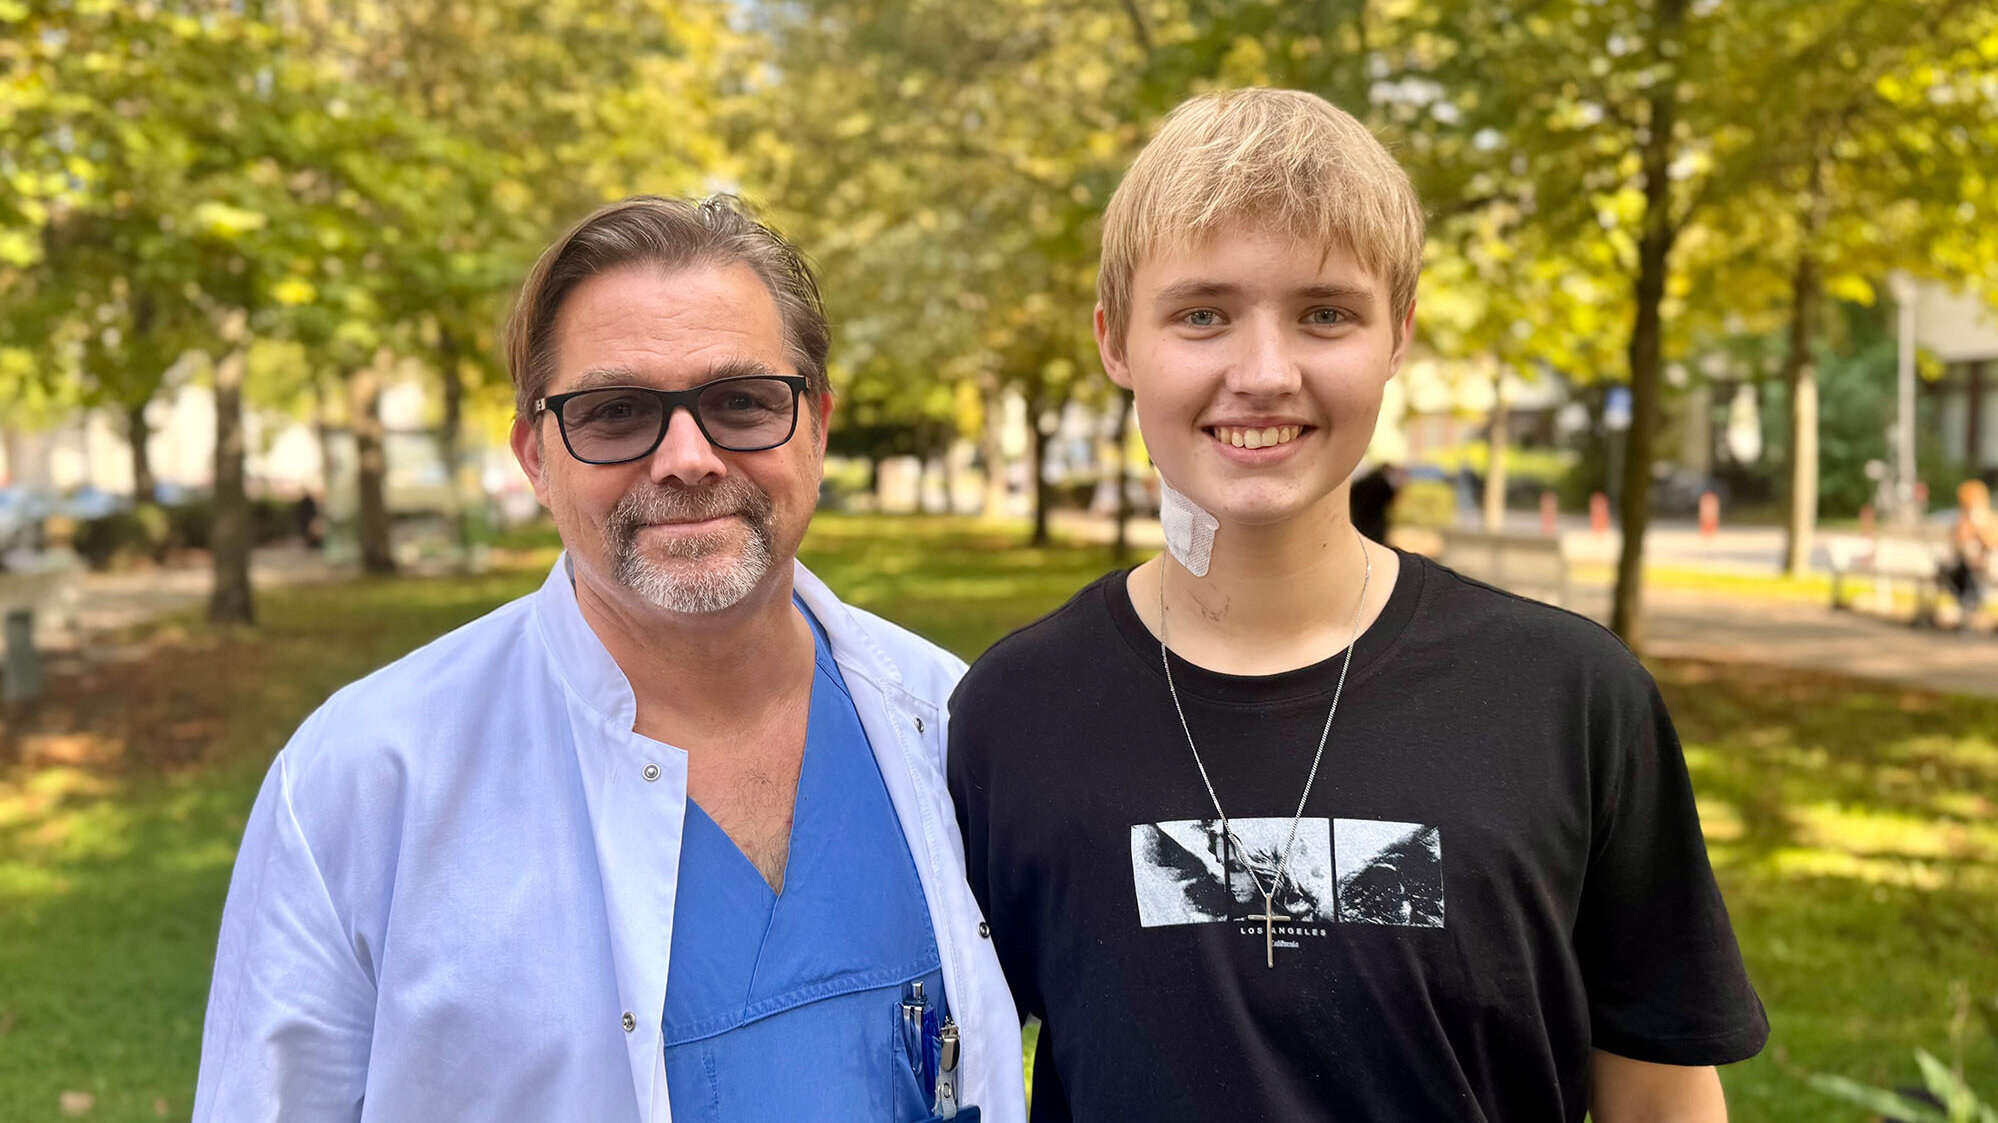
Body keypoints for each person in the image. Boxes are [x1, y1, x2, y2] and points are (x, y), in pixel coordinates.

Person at [948, 89, 1767, 1122]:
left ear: (1399, 335)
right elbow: (956, 1057)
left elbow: (1659, 1097)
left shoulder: (1571, 700)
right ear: (1117, 342)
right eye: (1202, 314)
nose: (1263, 373)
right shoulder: (1014, 713)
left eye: (1325, 314)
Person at [194, 195, 1024, 1123]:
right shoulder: (361, 779)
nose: (687, 457)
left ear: (818, 428)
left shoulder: (955, 721)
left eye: (742, 402)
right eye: (617, 412)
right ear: (536, 458)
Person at [1943, 478, 1998, 630]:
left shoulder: (1987, 519)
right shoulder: (1962, 520)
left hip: (1983, 566)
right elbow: (1958, 542)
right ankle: (1967, 609)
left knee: (1974, 577)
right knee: (1965, 575)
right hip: (1967, 567)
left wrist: (1978, 528)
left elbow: (1991, 542)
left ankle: (1969, 609)